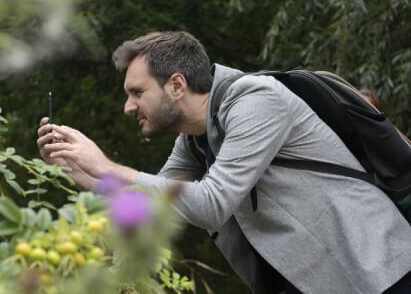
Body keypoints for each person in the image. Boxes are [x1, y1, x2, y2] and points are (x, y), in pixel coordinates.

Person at [37, 31, 411, 293]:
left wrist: (105, 165)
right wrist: (78, 171)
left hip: (381, 271)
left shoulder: (256, 101)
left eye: (137, 92)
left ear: (177, 85)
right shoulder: (196, 137)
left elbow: (211, 204)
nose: (128, 107)